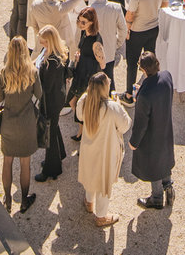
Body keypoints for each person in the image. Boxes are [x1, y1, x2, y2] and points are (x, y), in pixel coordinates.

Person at [74, 72, 131, 227]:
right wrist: (118, 104)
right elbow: (125, 126)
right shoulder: (111, 107)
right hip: (106, 150)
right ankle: (101, 215)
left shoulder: (85, 102)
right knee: (103, 182)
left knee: (90, 174)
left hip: (88, 147)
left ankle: (89, 201)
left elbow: (79, 116)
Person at [0, 36, 42, 212]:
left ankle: (7, 200)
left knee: (7, 161)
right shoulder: (32, 72)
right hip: (27, 122)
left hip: (8, 122)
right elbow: (39, 95)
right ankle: (23, 200)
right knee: (25, 164)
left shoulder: (4, 73)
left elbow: (0, 98)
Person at [130, 54, 176, 210]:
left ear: (143, 69)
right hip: (165, 126)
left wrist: (133, 142)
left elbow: (141, 123)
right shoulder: (167, 76)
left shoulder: (145, 95)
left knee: (154, 164)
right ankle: (168, 187)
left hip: (152, 133)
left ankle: (157, 198)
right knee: (164, 158)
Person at [34, 24, 71, 181]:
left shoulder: (52, 62)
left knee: (49, 132)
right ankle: (59, 155)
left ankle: (52, 169)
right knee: (53, 129)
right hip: (56, 98)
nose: (41, 44)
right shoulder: (56, 53)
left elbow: (46, 87)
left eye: (43, 41)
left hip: (51, 101)